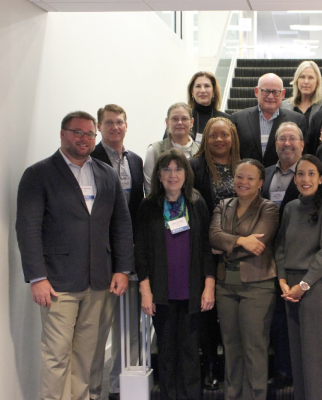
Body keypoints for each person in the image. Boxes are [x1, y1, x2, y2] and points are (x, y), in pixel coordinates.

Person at [15, 110, 134, 400]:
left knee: (88, 355)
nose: (84, 138)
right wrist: (37, 277)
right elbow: (27, 228)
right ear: (62, 134)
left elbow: (121, 223)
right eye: (77, 132)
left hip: (99, 280)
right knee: (56, 356)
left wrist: (122, 269)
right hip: (57, 283)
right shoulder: (38, 174)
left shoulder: (105, 174)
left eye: (89, 134)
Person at [135, 148, 216, 400]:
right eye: (167, 169)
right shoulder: (148, 206)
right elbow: (142, 251)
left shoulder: (196, 202)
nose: (173, 174)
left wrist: (209, 286)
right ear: (158, 175)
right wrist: (145, 290)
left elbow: (205, 247)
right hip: (161, 291)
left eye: (178, 168)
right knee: (167, 354)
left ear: (186, 173)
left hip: (191, 289)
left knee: (191, 351)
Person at [209, 159, 279, 400]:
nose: (244, 182)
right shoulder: (222, 205)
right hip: (225, 285)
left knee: (254, 347)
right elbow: (214, 237)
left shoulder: (268, 209)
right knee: (231, 346)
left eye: (250, 178)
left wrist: (225, 244)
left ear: (261, 182)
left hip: (257, 286)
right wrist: (240, 240)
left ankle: (255, 396)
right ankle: (233, 395)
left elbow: (257, 246)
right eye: (240, 176)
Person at [275, 154, 322, 400]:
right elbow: (280, 247)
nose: (305, 179)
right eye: (301, 174)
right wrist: (283, 281)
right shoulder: (291, 208)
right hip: (290, 287)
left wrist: (303, 285)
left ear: (321, 178)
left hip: (316, 286)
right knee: (297, 355)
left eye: (311, 173)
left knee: (313, 356)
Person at [89, 104, 144, 400]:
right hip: (99, 254)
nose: (114, 127)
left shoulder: (135, 160)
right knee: (99, 330)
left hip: (129, 252)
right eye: (108, 122)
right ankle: (97, 390)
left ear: (126, 125)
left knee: (130, 324)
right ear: (99, 126)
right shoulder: (90, 159)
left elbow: (137, 207)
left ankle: (123, 385)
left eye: (119, 122)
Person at [190, 116, 241, 390]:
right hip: (206, 250)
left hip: (238, 249)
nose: (219, 140)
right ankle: (209, 366)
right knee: (207, 312)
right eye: (213, 135)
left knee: (234, 312)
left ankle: (235, 368)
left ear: (233, 138)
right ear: (205, 139)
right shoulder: (195, 167)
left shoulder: (243, 166)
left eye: (225, 135)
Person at [231, 73, 307, 168]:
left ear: (283, 94)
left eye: (275, 92)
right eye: (265, 91)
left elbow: (303, 156)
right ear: (256, 91)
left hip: (282, 179)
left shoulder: (297, 120)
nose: (270, 96)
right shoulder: (238, 119)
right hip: (247, 179)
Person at [144, 102, 200, 194]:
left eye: (184, 119)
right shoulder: (154, 150)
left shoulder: (201, 151)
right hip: (161, 206)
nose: (180, 122)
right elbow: (150, 188)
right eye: (175, 119)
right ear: (167, 122)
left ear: (191, 122)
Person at [187, 71, 231, 143]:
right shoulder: (183, 119)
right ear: (192, 91)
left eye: (207, 86)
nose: (202, 90)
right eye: (198, 86)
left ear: (214, 91)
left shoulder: (226, 120)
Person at [281, 60, 322, 125]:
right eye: (302, 77)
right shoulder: (284, 105)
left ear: (317, 81)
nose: (306, 81)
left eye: (311, 78)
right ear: (297, 80)